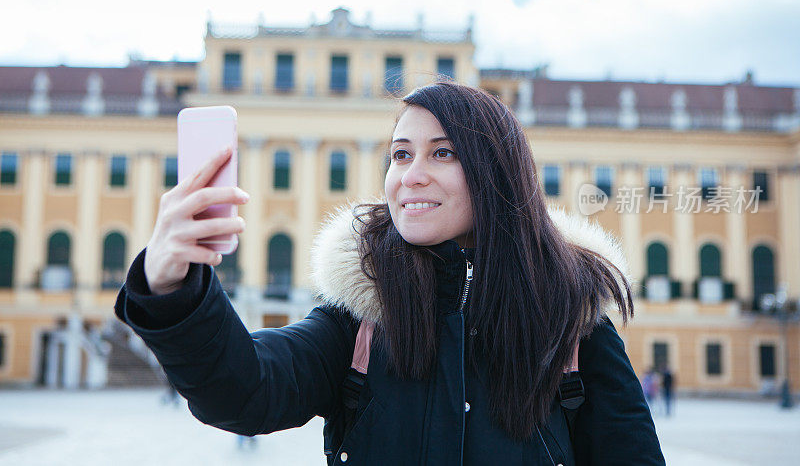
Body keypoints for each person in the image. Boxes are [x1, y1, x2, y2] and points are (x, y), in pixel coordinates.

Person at [115, 82, 665, 465]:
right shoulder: (359, 318)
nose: (412, 176)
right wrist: (173, 289)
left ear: (497, 174)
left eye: (443, 153)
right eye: (400, 155)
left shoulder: (570, 323)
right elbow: (245, 391)